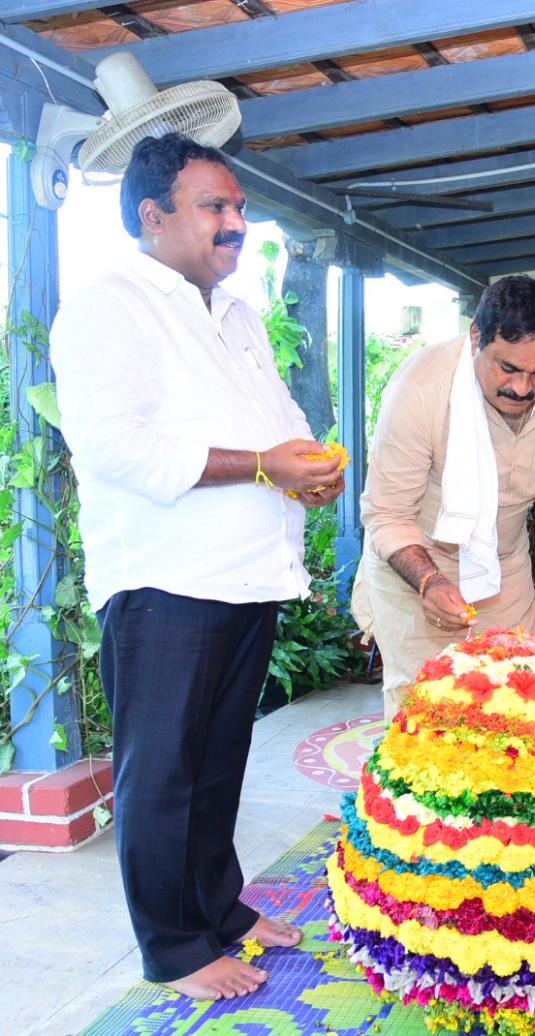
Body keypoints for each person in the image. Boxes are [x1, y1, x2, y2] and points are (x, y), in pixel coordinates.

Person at [49, 134, 346, 1000]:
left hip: (246, 578)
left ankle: (221, 908)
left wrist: (307, 476)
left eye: (240, 209)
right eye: (216, 207)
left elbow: (281, 426)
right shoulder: (110, 305)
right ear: (153, 214)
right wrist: (263, 466)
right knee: (164, 773)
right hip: (165, 584)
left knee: (218, 764)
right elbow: (112, 445)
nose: (237, 225)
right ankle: (175, 948)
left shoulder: (237, 315)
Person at [352, 275, 535, 718]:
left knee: (524, 700)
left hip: (503, 565)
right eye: (507, 368)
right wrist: (430, 583)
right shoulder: (421, 389)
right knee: (428, 713)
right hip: (418, 564)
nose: (523, 388)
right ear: (476, 338)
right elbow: (387, 515)